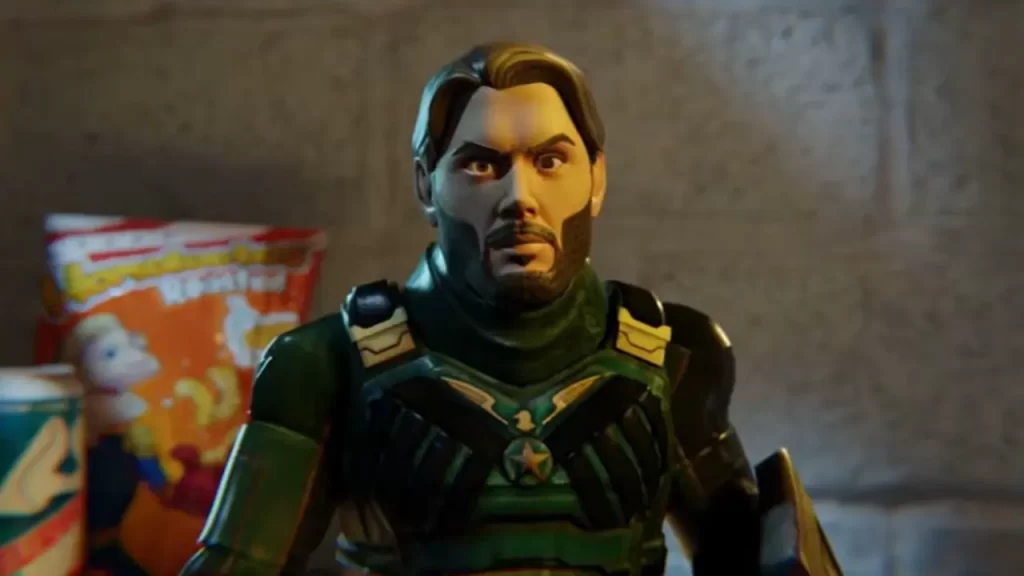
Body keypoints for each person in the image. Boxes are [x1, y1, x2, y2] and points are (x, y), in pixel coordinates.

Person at [180, 42, 843, 576]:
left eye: (550, 160)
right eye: (480, 165)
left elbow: (745, 559)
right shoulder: (324, 366)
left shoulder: (677, 355)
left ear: (596, 178)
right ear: (426, 184)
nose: (520, 196)